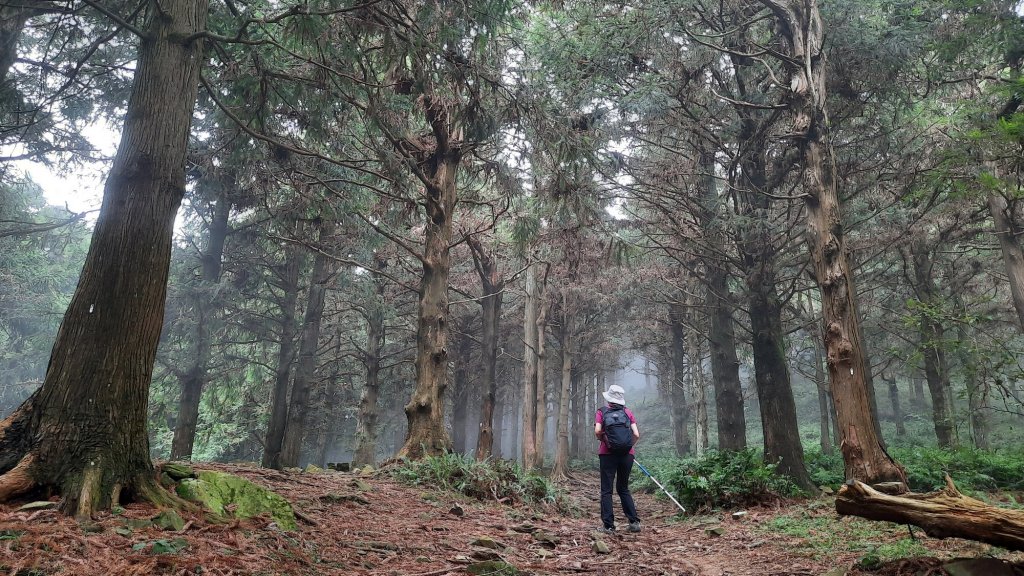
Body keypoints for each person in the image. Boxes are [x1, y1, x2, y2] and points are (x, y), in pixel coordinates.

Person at [594, 384, 641, 534]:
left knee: (606, 490)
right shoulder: (627, 412)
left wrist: (605, 440)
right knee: (623, 488)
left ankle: (609, 526)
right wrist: (627, 447)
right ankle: (634, 522)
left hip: (607, 454)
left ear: (609, 398)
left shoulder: (602, 411)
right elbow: (636, 434)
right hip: (627, 455)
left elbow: (597, 431)